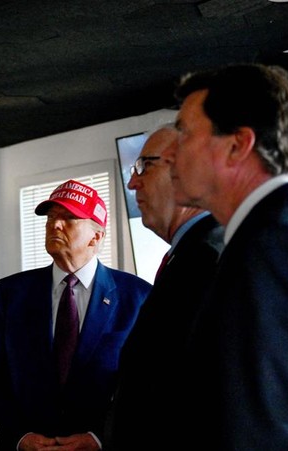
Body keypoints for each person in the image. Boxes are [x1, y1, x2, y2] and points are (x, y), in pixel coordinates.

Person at [165, 63, 288, 450]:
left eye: (184, 134)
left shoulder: (271, 248)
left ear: (238, 144)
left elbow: (264, 434)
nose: (171, 153)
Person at [0, 180, 151, 451]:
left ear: (96, 237)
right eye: (50, 218)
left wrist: (99, 437)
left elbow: (147, 382)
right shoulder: (10, 293)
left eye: (68, 218)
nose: (54, 225)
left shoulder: (137, 296)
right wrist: (20, 435)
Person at [103, 125, 224, 450]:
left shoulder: (209, 257)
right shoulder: (187, 255)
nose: (132, 183)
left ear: (185, 170)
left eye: (146, 166)